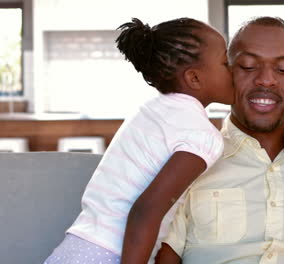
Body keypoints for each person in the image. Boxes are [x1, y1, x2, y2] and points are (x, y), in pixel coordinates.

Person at [44, 17, 234, 264]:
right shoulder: (202, 136)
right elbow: (147, 210)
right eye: (225, 62)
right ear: (194, 78)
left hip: (76, 248)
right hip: (112, 255)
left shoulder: (150, 109)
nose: (234, 69)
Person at [154, 16, 284, 264]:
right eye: (247, 66)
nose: (266, 79)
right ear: (226, 73)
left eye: (282, 69)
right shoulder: (189, 161)